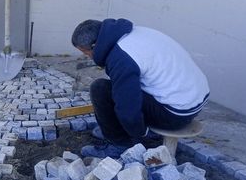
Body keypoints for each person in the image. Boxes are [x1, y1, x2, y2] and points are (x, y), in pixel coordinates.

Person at [71, 18, 209, 158]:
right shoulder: (133, 33)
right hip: (195, 99)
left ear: (94, 46)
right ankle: (117, 129)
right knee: (120, 85)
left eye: (85, 52)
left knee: (100, 89)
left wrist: (140, 134)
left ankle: (119, 144)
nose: (86, 57)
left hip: (176, 114)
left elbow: (127, 106)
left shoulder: (121, 58)